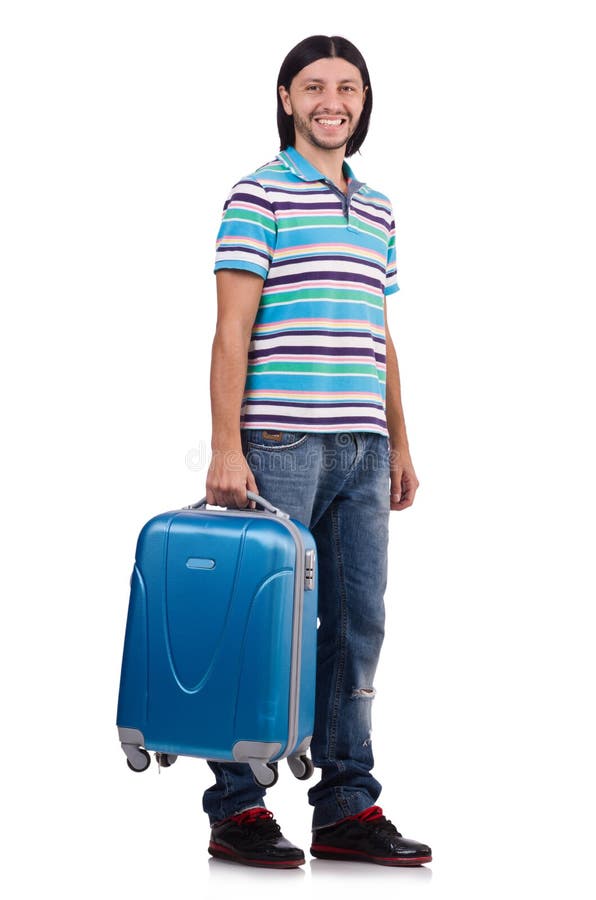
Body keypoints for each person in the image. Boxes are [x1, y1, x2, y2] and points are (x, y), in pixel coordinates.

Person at [204, 34, 431, 869]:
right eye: (314, 86)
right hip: (281, 441)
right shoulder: (256, 194)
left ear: (363, 102)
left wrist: (399, 440)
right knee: (263, 622)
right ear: (286, 97)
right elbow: (232, 329)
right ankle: (238, 806)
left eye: (348, 87)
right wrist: (227, 446)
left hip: (363, 448)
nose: (332, 100)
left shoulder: (377, 208)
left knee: (356, 627)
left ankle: (345, 804)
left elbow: (379, 330)